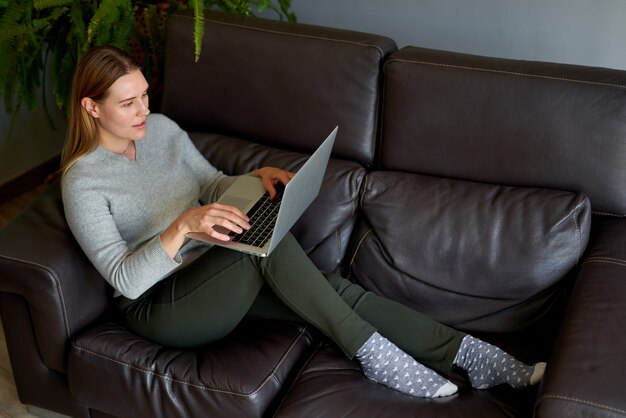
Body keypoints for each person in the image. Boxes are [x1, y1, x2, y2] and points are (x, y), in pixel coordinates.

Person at [60, 45, 546, 399]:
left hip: (216, 277)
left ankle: (470, 356)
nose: (144, 110)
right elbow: (122, 278)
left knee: (333, 288)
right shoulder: (83, 181)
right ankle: (374, 356)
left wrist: (251, 178)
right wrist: (182, 228)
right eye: (129, 103)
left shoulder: (161, 130)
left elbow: (208, 183)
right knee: (260, 247)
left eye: (145, 95)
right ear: (91, 107)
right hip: (161, 306)